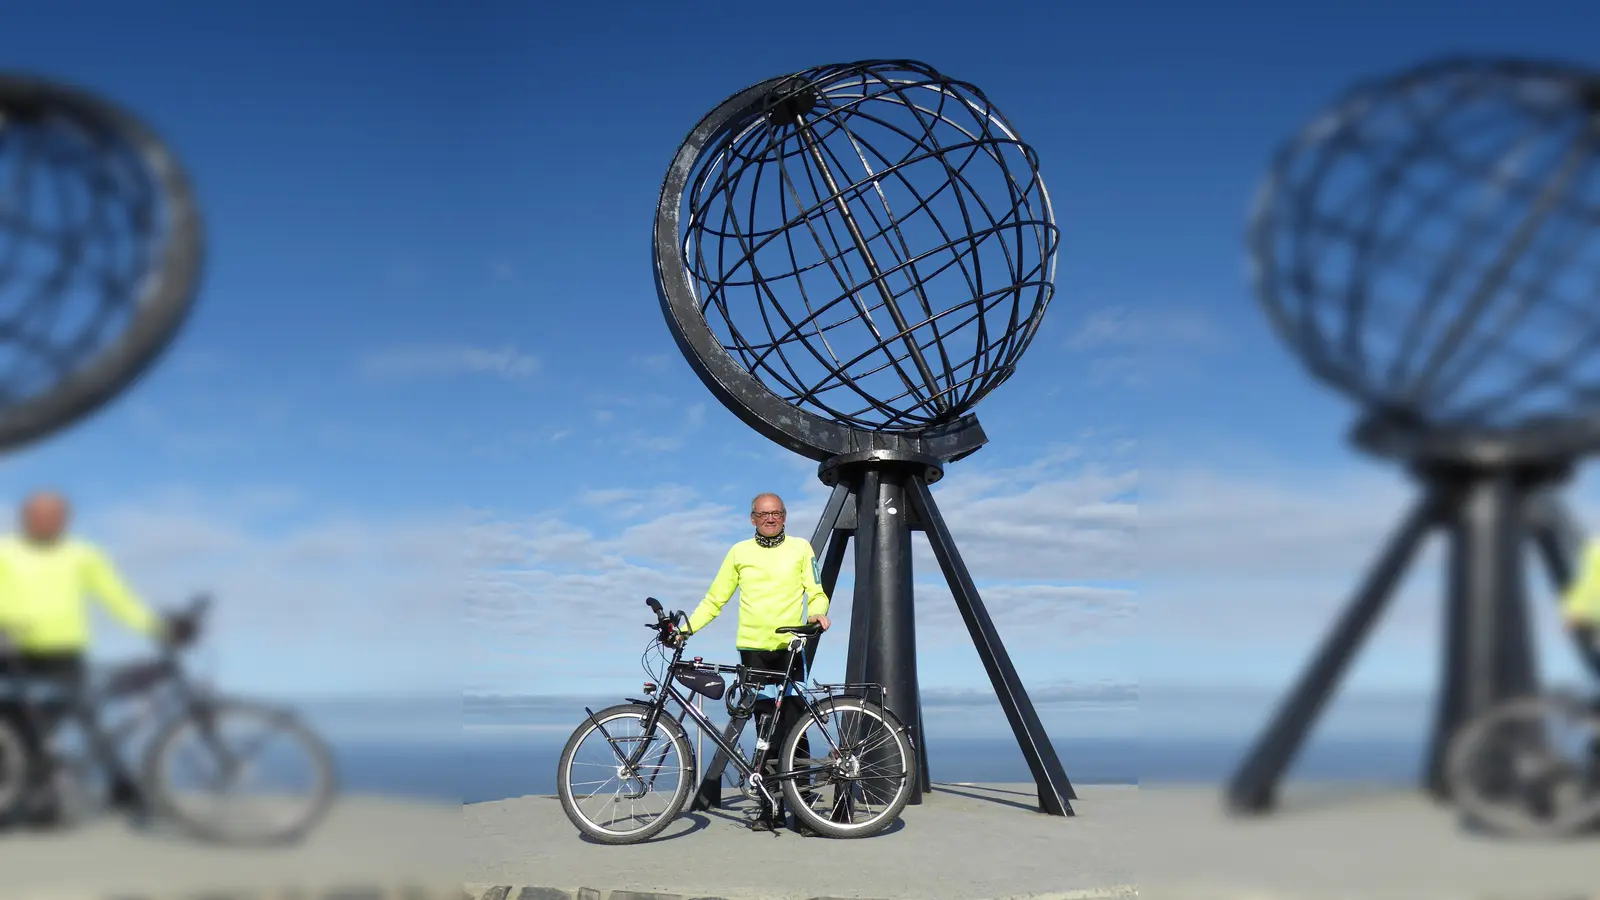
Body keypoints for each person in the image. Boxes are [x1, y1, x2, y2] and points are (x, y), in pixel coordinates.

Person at [0, 490, 166, 825]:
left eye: (52, 515)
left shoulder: (83, 555)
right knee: (15, 729)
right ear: (23, 519)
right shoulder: (5, 550)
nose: (43, 522)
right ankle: (22, 800)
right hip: (12, 651)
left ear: (64, 520)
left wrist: (156, 627)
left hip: (63, 653)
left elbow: (116, 596)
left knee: (72, 724)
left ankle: (77, 796)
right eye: (35, 515)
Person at [678, 492, 830, 833]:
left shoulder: (801, 548)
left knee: (795, 729)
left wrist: (818, 612)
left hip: (789, 648)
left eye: (777, 513)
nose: (771, 519)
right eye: (764, 514)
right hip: (753, 651)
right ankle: (770, 807)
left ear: (785, 516)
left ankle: (802, 811)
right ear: (752, 519)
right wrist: (685, 630)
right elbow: (714, 600)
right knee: (765, 731)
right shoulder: (738, 553)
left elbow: (816, 590)